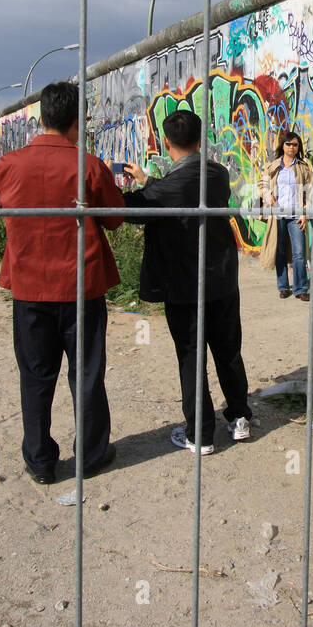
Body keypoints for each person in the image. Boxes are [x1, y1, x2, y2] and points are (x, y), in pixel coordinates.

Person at [0, 80, 123, 496]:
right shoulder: (89, 165)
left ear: (41, 117)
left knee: (35, 377)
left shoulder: (9, 164)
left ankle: (41, 461)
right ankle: (91, 455)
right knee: (87, 375)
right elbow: (115, 218)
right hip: (82, 285)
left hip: (29, 288)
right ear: (76, 120)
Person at [122, 110, 253, 455]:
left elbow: (136, 204)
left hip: (186, 287)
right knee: (228, 351)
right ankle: (239, 418)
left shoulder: (166, 188)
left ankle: (200, 434)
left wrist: (143, 182)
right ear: (200, 139)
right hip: (223, 280)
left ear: (166, 144)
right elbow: (178, 189)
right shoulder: (220, 174)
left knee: (191, 357)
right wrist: (151, 180)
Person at [260, 130, 313, 300]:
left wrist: (305, 214)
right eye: (288, 144)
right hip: (278, 216)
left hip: (296, 215)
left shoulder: (304, 168)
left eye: (295, 144)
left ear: (298, 148)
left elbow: (310, 193)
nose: (291, 147)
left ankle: (300, 289)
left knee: (299, 253)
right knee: (280, 252)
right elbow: (262, 184)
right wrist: (268, 194)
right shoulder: (273, 166)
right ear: (282, 145)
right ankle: (283, 286)